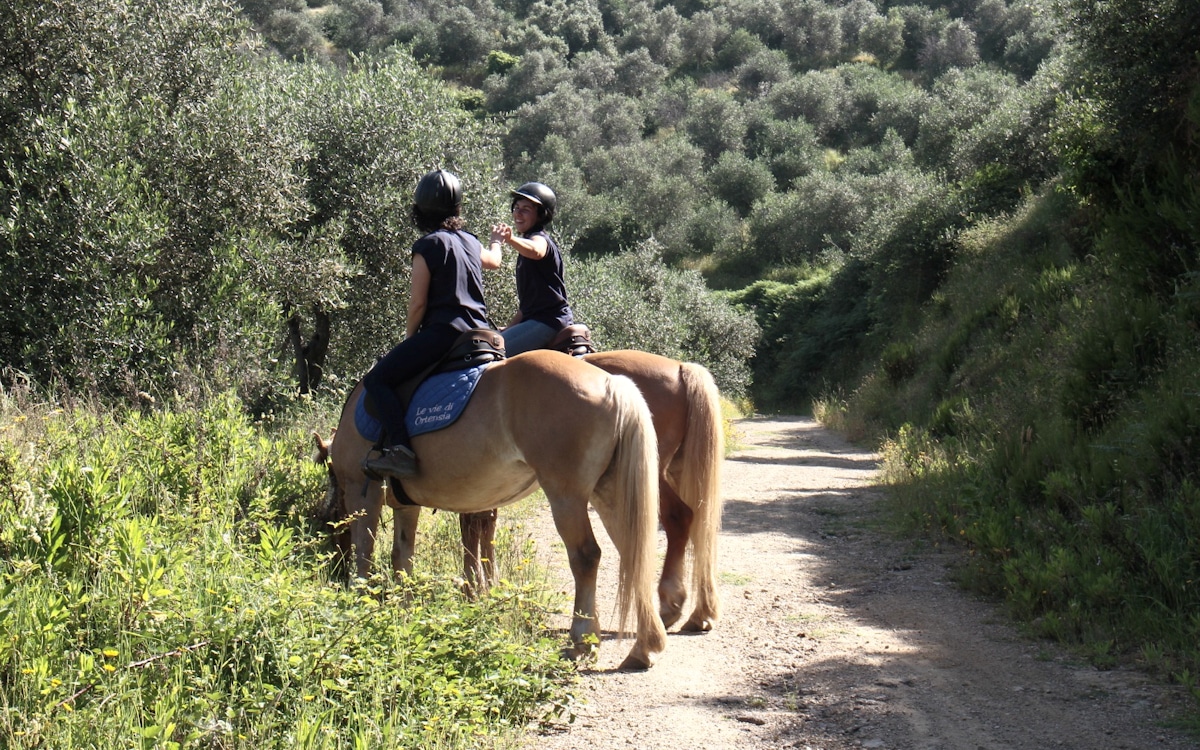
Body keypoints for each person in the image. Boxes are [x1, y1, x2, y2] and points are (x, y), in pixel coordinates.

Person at [362, 169, 502, 478]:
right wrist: (496, 242)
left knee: (377, 380)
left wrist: (409, 339)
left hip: (444, 333)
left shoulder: (426, 246)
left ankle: (401, 451)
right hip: (480, 333)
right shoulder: (470, 242)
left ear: (419, 210)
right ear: (457, 208)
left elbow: (418, 303)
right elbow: (494, 261)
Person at [490, 182, 575, 356]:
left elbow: (537, 250)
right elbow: (527, 307)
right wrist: (509, 329)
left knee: (491, 354)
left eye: (526, 209)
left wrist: (510, 238)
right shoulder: (525, 248)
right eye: (517, 208)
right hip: (536, 320)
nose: (518, 213)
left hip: (548, 321)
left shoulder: (540, 239)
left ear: (541, 215)